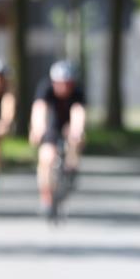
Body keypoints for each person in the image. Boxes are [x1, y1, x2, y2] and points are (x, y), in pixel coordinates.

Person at [29, 60, 86, 214]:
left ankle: (72, 168)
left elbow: (78, 112)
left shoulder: (77, 91)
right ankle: (46, 196)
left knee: (76, 139)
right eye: (60, 84)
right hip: (52, 123)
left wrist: (77, 131)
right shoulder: (45, 88)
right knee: (46, 158)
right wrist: (37, 129)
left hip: (68, 122)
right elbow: (39, 109)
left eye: (67, 84)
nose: (64, 87)